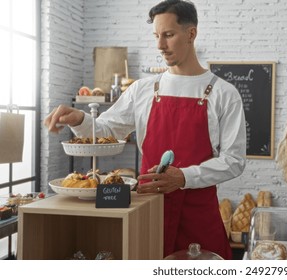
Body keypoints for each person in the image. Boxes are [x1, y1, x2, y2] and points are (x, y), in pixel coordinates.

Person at [44, 0, 246, 260]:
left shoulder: (223, 93)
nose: (160, 45)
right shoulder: (143, 90)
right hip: (147, 214)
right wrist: (79, 119)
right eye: (156, 36)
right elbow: (107, 129)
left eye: (168, 35)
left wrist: (183, 177)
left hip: (199, 217)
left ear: (191, 34)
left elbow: (234, 161)